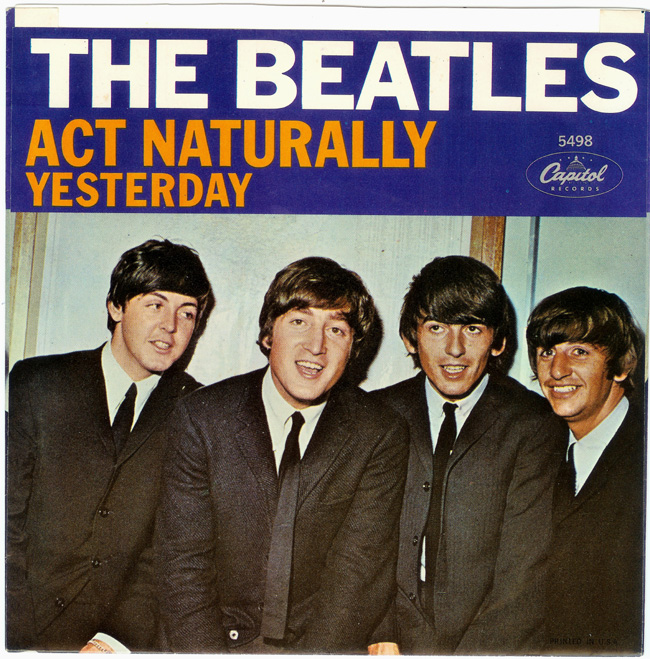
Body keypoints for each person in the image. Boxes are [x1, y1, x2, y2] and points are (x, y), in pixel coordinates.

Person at [154, 256, 408, 653]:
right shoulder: (201, 417)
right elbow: (183, 569)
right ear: (269, 333)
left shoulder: (378, 433)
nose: (317, 346)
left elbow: (355, 576)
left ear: (352, 348)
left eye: (336, 329)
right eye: (299, 322)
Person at [6, 239, 214, 651]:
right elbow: (6, 523)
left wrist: (112, 642)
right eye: (156, 305)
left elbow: (170, 553)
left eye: (187, 313)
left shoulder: (198, 412)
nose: (171, 326)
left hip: (116, 641)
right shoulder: (38, 383)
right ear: (116, 307)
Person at [369, 255, 564, 655]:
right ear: (410, 338)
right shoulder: (375, 414)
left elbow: (523, 574)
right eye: (436, 328)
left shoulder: (534, 424)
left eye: (472, 329)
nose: (454, 349)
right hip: (388, 641)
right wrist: (379, 630)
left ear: (498, 341)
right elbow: (360, 546)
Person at [526, 286, 645, 654]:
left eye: (579, 351)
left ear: (621, 366)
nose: (556, 370)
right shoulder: (535, 448)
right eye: (547, 352)